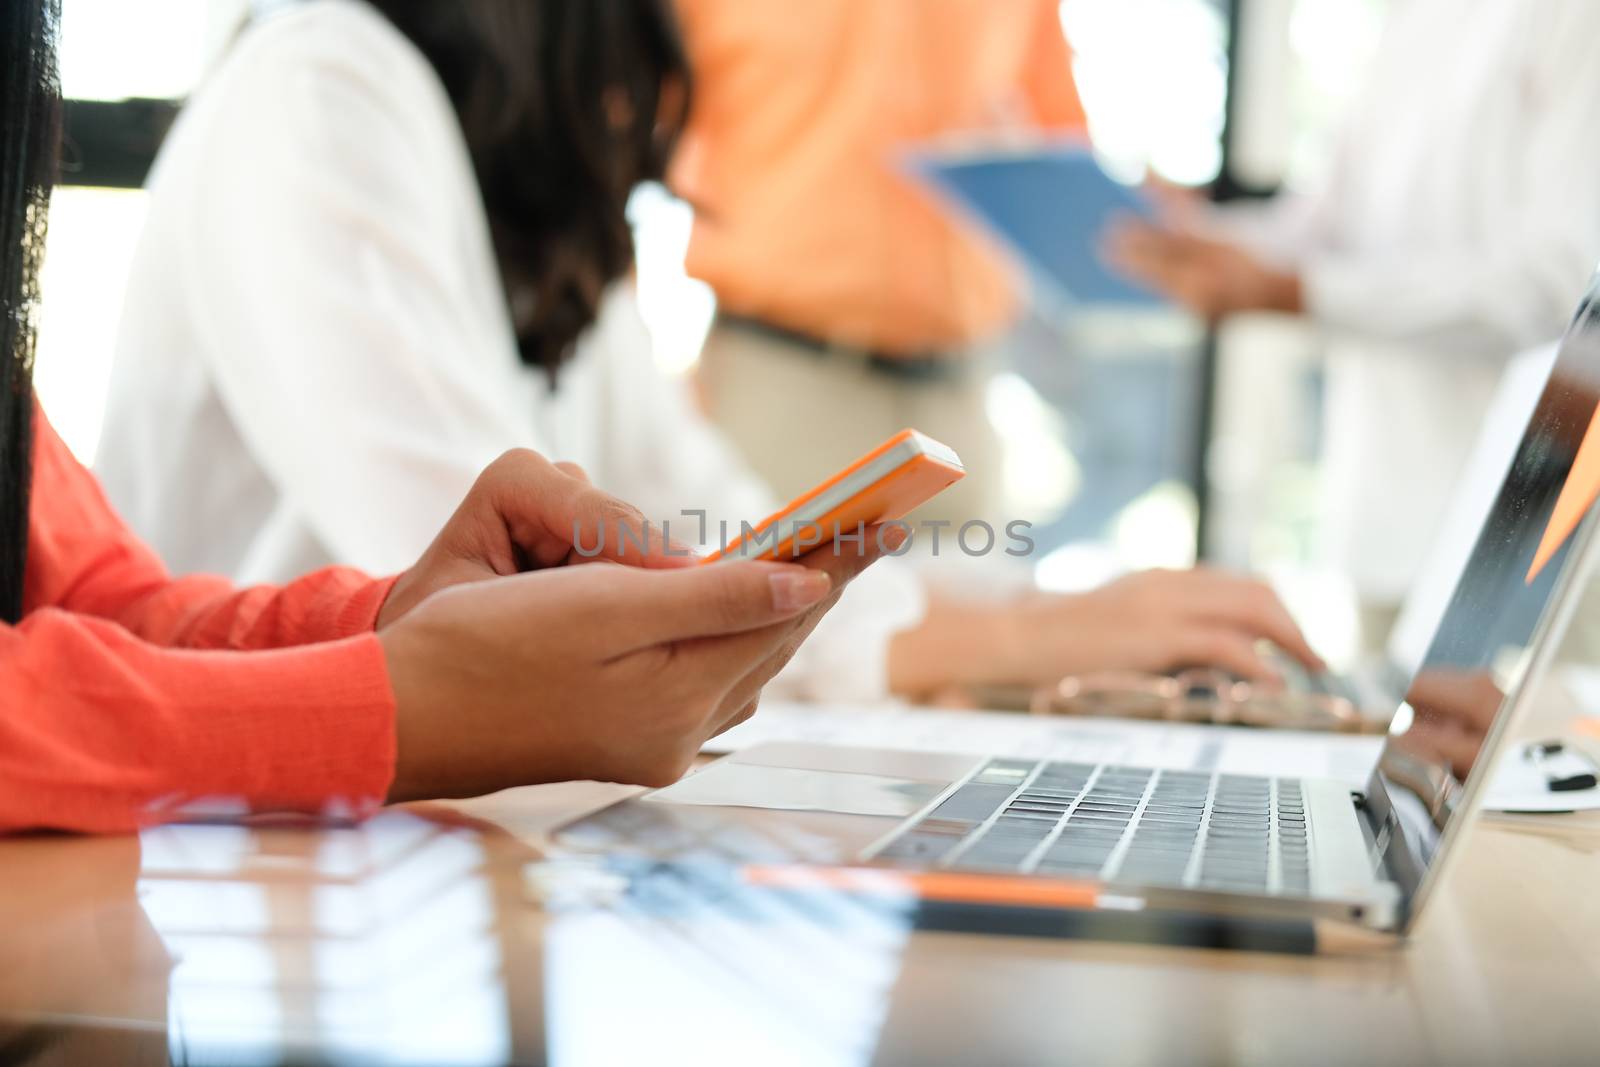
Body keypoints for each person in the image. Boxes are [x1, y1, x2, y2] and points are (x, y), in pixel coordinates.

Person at [96, 0, 1326, 706]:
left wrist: (1049, 613)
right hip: (247, 854)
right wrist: (999, 642)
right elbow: (490, 586)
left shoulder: (524, 156)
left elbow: (709, 513)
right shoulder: (321, 88)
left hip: (425, 823)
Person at [0, 0, 885, 834]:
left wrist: (391, 616)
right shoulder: (318, 88)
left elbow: (93, 600)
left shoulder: (520, 171)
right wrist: (395, 706)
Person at [1104, 0, 1600, 622]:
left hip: (1525, 550)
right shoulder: (1410, 22)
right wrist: (1193, 237)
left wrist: (1300, 292)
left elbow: (1559, 294)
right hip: (1388, 530)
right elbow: (1331, 231)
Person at [670, 0, 1084, 524]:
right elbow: (626, 146)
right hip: (780, 384)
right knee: (770, 598)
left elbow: (1062, 138)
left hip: (960, 397)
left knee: (983, 599)